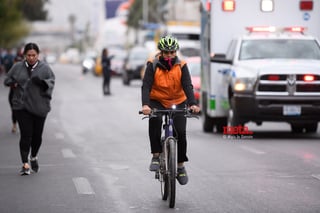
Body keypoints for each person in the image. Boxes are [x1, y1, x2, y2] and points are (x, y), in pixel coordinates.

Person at [141, 35, 200, 185]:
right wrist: (146, 105)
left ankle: (180, 166)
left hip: (178, 101)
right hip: (157, 100)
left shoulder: (182, 65)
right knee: (155, 121)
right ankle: (156, 155)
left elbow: (187, 85)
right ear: (161, 52)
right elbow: (146, 85)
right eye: (166, 52)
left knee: (180, 131)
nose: (169, 55)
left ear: (176, 52)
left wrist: (192, 104)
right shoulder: (152, 64)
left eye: (172, 52)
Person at [4, 43, 55, 175]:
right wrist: (12, 83)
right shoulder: (17, 67)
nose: (31, 58)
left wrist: (42, 83)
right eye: (29, 55)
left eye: (34, 55)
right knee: (26, 134)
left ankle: (33, 156)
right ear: (24, 55)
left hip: (39, 106)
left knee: (37, 136)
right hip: (21, 106)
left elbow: (51, 82)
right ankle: (25, 164)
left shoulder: (45, 68)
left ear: (38, 55)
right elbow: (7, 79)